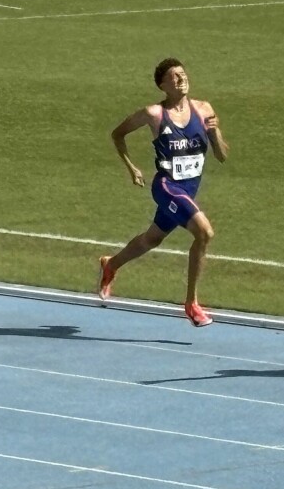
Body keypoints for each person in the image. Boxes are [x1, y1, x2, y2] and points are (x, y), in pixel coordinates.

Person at [97, 58, 228, 327]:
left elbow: (222, 156)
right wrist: (132, 167)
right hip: (167, 187)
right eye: (174, 77)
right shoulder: (154, 114)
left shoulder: (204, 109)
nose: (181, 79)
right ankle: (191, 304)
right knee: (204, 232)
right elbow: (117, 134)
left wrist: (214, 135)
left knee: (151, 239)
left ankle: (111, 264)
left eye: (183, 74)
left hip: (189, 189)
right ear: (162, 85)